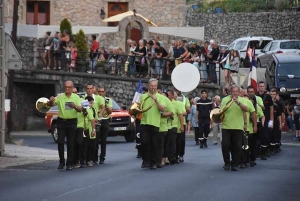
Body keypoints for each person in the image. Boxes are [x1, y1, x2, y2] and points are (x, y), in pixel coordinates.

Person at [48, 81, 82, 170]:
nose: (67, 89)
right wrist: (50, 101)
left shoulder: (76, 97)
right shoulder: (60, 97)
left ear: (72, 88)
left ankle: (69, 163)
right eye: (66, 87)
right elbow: (51, 104)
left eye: (69, 87)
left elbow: (80, 109)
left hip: (72, 122)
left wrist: (74, 106)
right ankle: (61, 161)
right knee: (60, 142)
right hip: (62, 122)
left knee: (71, 144)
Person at [221, 85, 248, 171]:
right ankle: (227, 162)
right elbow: (221, 111)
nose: (235, 93)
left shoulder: (243, 100)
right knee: (225, 145)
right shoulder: (225, 99)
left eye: (236, 91)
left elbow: (246, 109)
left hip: (238, 126)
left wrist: (238, 103)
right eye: (233, 91)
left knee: (237, 146)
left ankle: (235, 163)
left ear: (239, 92)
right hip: (226, 126)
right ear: (230, 92)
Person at [140, 78, 166, 169]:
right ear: (148, 86)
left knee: (155, 144)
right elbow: (139, 108)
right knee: (144, 142)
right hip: (144, 122)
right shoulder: (143, 96)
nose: (153, 87)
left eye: (155, 86)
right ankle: (146, 160)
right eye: (151, 86)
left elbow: (163, 109)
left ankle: (153, 162)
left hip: (155, 123)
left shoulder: (161, 97)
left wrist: (156, 100)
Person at [84, 84, 105, 164]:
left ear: (93, 89)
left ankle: (94, 158)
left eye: (90, 88)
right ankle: (87, 159)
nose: (89, 90)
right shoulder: (83, 97)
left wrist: (100, 114)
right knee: (87, 143)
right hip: (86, 123)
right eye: (88, 88)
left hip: (94, 121)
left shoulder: (98, 97)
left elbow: (103, 106)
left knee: (95, 142)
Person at [157, 85, 174, 167]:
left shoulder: (168, 102)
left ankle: (164, 159)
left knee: (164, 144)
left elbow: (172, 114)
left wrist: (163, 114)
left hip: (166, 126)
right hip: (156, 125)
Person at [256, 81, 274, 160]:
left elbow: (271, 108)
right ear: (258, 87)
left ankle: (264, 152)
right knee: (257, 136)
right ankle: (257, 152)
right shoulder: (255, 96)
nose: (262, 88)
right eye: (260, 86)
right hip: (256, 118)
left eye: (263, 86)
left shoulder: (268, 97)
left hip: (266, 118)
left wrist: (271, 120)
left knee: (265, 136)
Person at [167, 90, 184, 165]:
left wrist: (182, 125)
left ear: (172, 96)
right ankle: (167, 157)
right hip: (166, 126)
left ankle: (173, 157)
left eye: (168, 95)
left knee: (174, 142)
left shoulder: (177, 104)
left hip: (174, 126)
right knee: (167, 142)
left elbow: (180, 115)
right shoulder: (164, 102)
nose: (167, 97)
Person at [174, 88, 190, 162]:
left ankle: (181, 155)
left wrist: (181, 111)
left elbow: (188, 110)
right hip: (173, 123)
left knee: (181, 140)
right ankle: (173, 155)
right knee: (173, 140)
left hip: (181, 122)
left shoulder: (185, 99)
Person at [98, 87, 113, 164]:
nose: (101, 93)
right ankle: (94, 157)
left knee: (103, 140)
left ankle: (102, 157)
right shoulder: (96, 99)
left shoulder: (108, 100)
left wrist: (105, 105)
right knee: (95, 140)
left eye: (102, 92)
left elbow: (110, 111)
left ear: (105, 92)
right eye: (99, 92)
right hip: (97, 120)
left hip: (105, 120)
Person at [81, 97, 97, 167]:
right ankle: (85, 160)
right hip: (87, 129)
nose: (92, 104)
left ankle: (90, 160)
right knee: (85, 147)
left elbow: (94, 119)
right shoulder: (86, 109)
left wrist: (93, 130)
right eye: (90, 103)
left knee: (91, 146)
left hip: (90, 130)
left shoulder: (92, 109)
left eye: (92, 103)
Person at [135, 87, 148, 158]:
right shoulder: (138, 102)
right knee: (138, 136)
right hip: (139, 120)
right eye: (142, 92)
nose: (143, 93)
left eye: (144, 92)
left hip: (145, 120)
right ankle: (139, 151)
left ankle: (144, 151)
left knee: (144, 137)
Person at [270, 89, 283, 155]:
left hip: (276, 121)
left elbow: (280, 115)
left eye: (274, 94)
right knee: (270, 135)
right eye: (271, 94)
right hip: (269, 121)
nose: (272, 96)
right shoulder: (267, 102)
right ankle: (270, 148)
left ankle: (275, 148)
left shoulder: (278, 104)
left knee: (275, 135)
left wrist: (281, 124)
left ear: (276, 95)